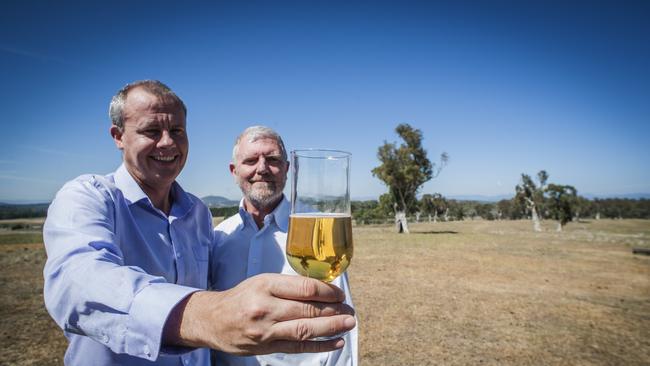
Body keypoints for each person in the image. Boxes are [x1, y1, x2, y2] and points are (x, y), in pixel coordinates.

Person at [42, 80, 356, 365]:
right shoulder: (88, 197)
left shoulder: (198, 215)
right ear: (118, 136)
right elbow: (76, 283)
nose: (167, 143)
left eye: (177, 131)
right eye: (151, 131)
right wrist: (205, 317)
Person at [211, 126, 358, 365]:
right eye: (250, 160)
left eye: (272, 160)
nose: (262, 168)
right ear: (234, 170)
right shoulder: (218, 237)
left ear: (287, 169)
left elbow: (342, 319)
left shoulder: (316, 232)